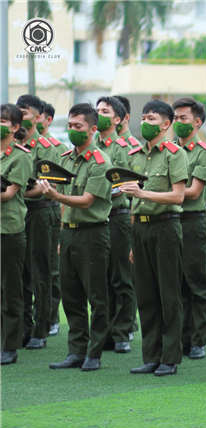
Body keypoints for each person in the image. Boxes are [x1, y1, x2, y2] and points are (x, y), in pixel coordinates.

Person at [42, 103, 113, 371]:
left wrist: (55, 196)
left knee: (96, 296)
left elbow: (85, 201)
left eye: (78, 126)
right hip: (70, 233)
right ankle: (76, 351)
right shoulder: (66, 159)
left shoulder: (100, 162)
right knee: (71, 296)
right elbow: (65, 202)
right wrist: (63, 232)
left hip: (93, 234)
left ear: (93, 129)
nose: (72, 130)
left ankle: (94, 353)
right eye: (70, 125)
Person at [123, 99, 188, 377]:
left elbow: (178, 196)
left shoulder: (175, 154)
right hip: (141, 229)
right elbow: (133, 203)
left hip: (165, 226)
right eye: (144, 118)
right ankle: (151, 356)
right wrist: (132, 241)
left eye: (152, 119)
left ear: (166, 124)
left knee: (168, 294)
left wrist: (143, 193)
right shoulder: (135, 155)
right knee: (146, 294)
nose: (145, 123)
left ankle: (170, 358)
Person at [172, 97, 206, 360]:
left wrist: (157, 192)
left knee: (197, 282)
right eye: (175, 118)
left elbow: (194, 191)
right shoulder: (169, 150)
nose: (177, 122)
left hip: (193, 221)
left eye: (183, 118)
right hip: (170, 220)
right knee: (176, 283)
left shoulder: (204, 152)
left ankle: (198, 339)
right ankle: (181, 337)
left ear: (197, 122)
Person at [16, 94, 58, 350]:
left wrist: (15, 192)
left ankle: (41, 329)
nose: (20, 118)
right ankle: (23, 327)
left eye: (25, 113)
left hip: (40, 212)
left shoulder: (45, 147)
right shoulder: (13, 145)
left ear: (38, 117)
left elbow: (46, 187)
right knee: (19, 273)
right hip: (17, 212)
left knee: (40, 272)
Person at [95, 96, 135, 354]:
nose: (99, 114)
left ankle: (122, 332)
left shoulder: (123, 147)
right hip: (96, 218)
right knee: (101, 278)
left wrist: (96, 191)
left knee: (121, 277)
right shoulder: (92, 145)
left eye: (105, 111)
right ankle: (106, 332)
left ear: (117, 119)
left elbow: (127, 183)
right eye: (97, 110)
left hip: (117, 215)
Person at [0, 104, 33, 365]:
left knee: (10, 291)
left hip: (9, 231)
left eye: (2, 122)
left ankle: (10, 346)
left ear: (14, 127)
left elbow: (8, 193)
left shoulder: (20, 156)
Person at [37, 102, 66, 338]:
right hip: (24, 211)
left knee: (49, 267)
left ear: (47, 120)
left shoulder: (58, 148)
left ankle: (51, 316)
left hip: (49, 208)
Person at [113, 95, 140, 339]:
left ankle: (127, 324)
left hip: (124, 212)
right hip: (102, 215)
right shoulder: (98, 145)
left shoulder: (132, 147)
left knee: (124, 275)